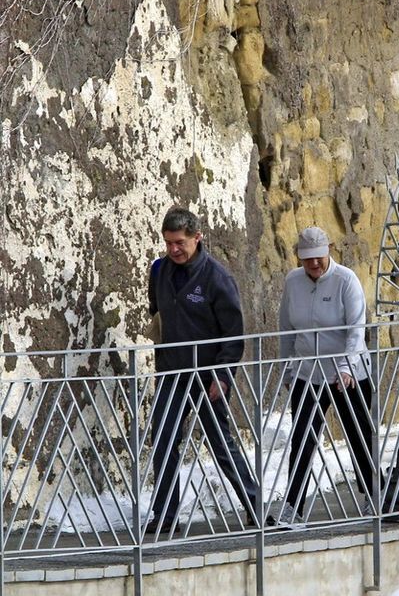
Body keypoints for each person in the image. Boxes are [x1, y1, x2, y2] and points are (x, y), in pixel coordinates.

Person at [146, 206, 270, 535]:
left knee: (220, 443)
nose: (173, 249)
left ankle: (254, 504)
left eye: (180, 243)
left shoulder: (218, 278)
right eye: (168, 243)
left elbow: (233, 335)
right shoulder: (159, 271)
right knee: (163, 439)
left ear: (197, 238)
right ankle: (165, 515)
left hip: (208, 377)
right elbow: (156, 312)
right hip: (172, 373)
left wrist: (223, 375)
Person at [278, 226, 374, 525]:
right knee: (302, 437)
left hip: (347, 373)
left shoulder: (346, 280)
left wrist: (346, 368)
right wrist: (288, 367)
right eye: (308, 259)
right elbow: (286, 329)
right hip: (308, 371)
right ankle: (293, 506)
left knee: (358, 436)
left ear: (328, 251)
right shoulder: (292, 282)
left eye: (319, 258)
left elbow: (356, 330)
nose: (314, 265)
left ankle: (373, 495)